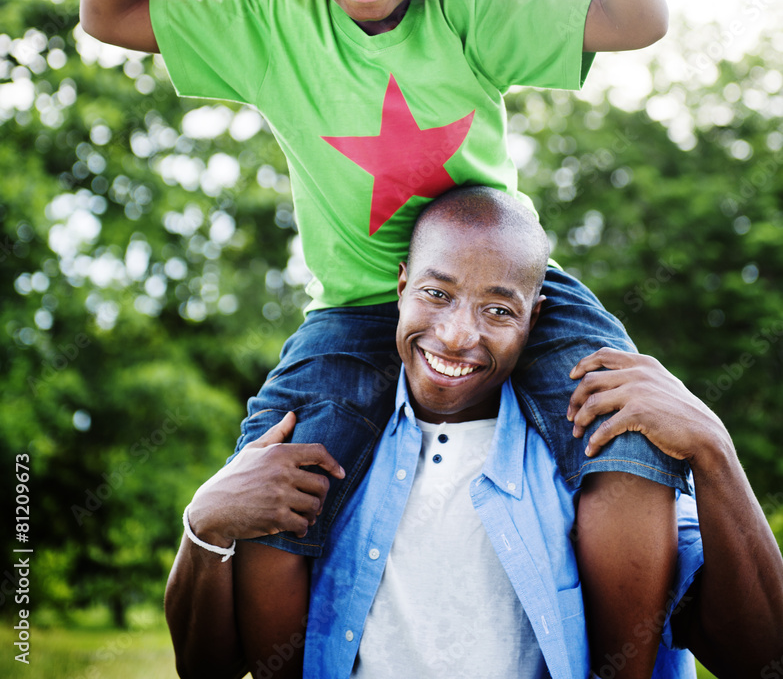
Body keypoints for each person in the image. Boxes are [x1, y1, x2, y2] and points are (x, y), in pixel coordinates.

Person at [83, 0, 686, 673]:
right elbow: (111, 14)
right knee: (285, 478)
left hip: (508, 292)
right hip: (360, 308)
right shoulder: (270, 22)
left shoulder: (470, 4)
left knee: (628, 437)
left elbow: (636, 20)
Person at [164, 186, 783, 678]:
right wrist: (205, 527)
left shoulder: (594, 461)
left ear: (535, 317)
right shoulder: (319, 448)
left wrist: (714, 451)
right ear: (402, 286)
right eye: (437, 293)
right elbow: (207, 667)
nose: (459, 335)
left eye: (498, 310)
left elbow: (758, 658)